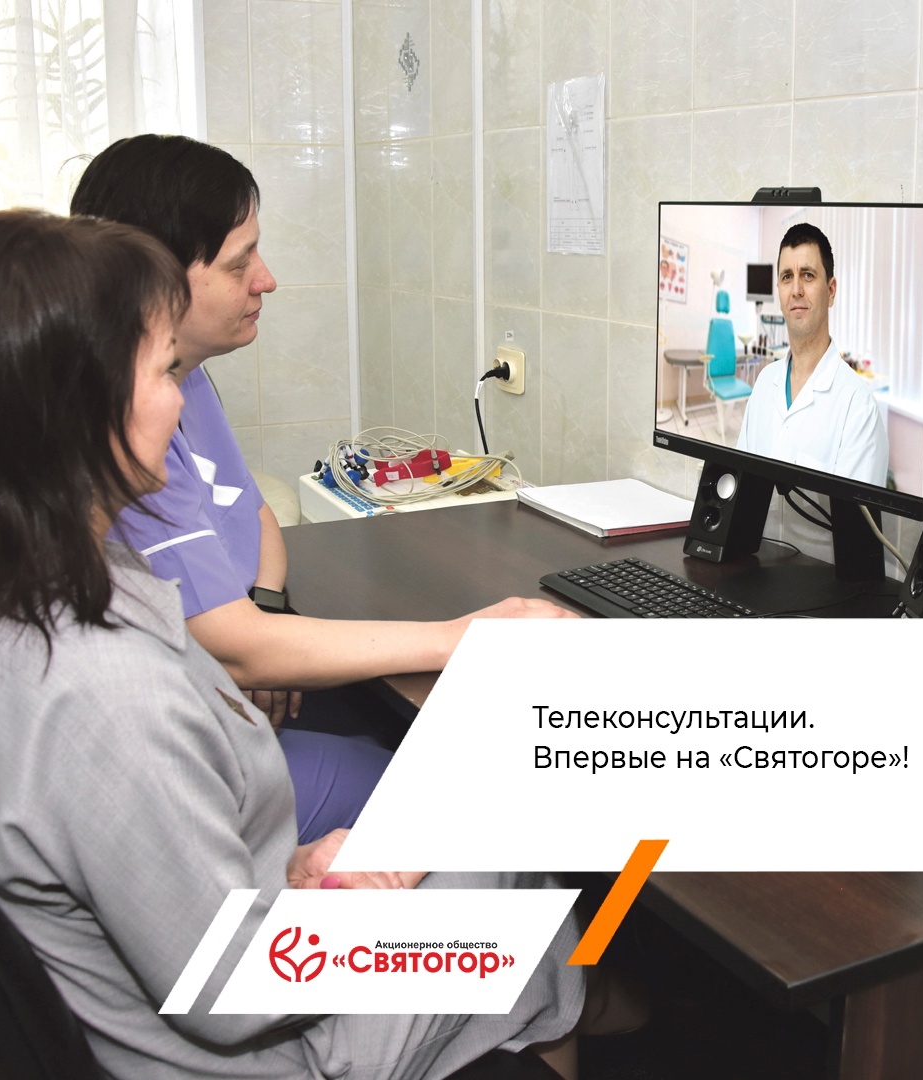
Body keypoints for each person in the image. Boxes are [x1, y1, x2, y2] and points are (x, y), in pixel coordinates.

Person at [0, 210, 601, 1080]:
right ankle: (596, 1007)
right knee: (516, 859)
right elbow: (234, 989)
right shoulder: (101, 695)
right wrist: (370, 889)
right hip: (276, 1047)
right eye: (166, 369)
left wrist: (304, 872)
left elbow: (143, 862)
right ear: (78, 413)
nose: (179, 400)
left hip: (174, 981)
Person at [70, 135, 576, 842]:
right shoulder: (127, 427)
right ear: (150, 280)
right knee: (474, 780)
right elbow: (231, 647)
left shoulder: (185, 381)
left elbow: (254, 515)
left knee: (437, 729)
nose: (266, 280)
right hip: (194, 745)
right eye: (240, 262)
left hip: (227, 693)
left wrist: (264, 613)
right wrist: (462, 638)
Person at [735, 222, 888, 486]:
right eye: (787, 277)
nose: (796, 290)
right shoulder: (764, 383)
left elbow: (853, 513)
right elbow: (739, 479)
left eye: (807, 275)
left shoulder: (858, 408)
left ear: (831, 291)